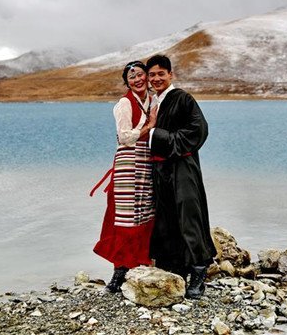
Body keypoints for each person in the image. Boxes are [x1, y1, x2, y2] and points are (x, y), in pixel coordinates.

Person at [146, 54, 217, 299]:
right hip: (161, 170)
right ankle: (175, 268)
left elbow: (199, 129)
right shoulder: (154, 102)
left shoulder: (183, 98)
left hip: (183, 167)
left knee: (189, 215)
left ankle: (198, 271)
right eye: (152, 75)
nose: (156, 78)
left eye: (161, 74)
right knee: (166, 217)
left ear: (171, 74)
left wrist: (160, 136)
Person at [91, 60, 158, 293]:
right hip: (128, 163)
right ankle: (119, 270)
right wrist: (149, 125)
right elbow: (125, 137)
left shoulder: (153, 101)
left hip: (147, 161)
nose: (137, 80)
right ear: (127, 83)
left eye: (140, 75)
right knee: (125, 216)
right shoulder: (124, 103)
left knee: (145, 212)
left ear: (147, 77)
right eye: (132, 77)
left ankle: (140, 261)